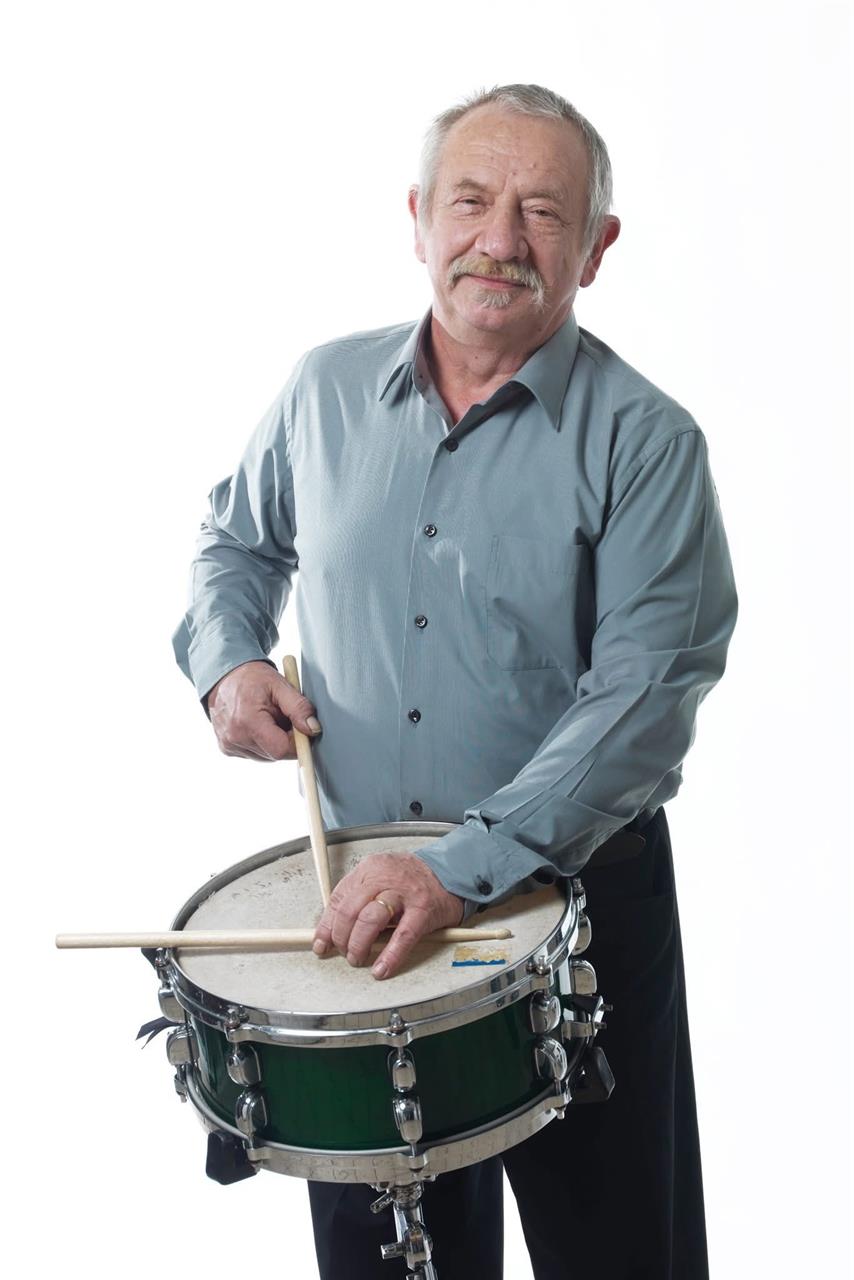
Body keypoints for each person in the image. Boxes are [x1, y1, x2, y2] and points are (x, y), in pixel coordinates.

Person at [173, 83, 737, 1280]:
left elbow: (642, 698)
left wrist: (455, 866)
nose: (499, 239)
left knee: (620, 1256)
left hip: (574, 909)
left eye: (543, 211)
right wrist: (228, 660)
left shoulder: (646, 442)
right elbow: (234, 542)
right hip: (363, 910)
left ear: (596, 246)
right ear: (418, 217)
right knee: (386, 1267)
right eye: (471, 201)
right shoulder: (322, 390)